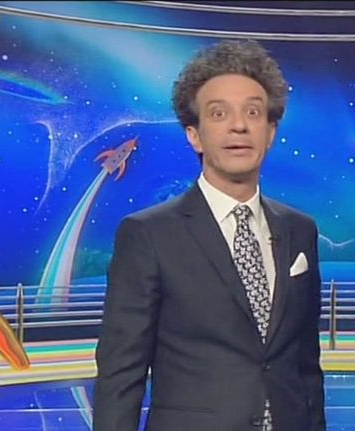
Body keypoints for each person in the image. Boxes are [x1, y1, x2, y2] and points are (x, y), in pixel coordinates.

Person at [93, 39, 326, 431]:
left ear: (270, 131)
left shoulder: (299, 230)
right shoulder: (147, 234)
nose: (239, 125)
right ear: (194, 135)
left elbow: (306, 367)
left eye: (253, 112)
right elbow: (120, 375)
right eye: (219, 113)